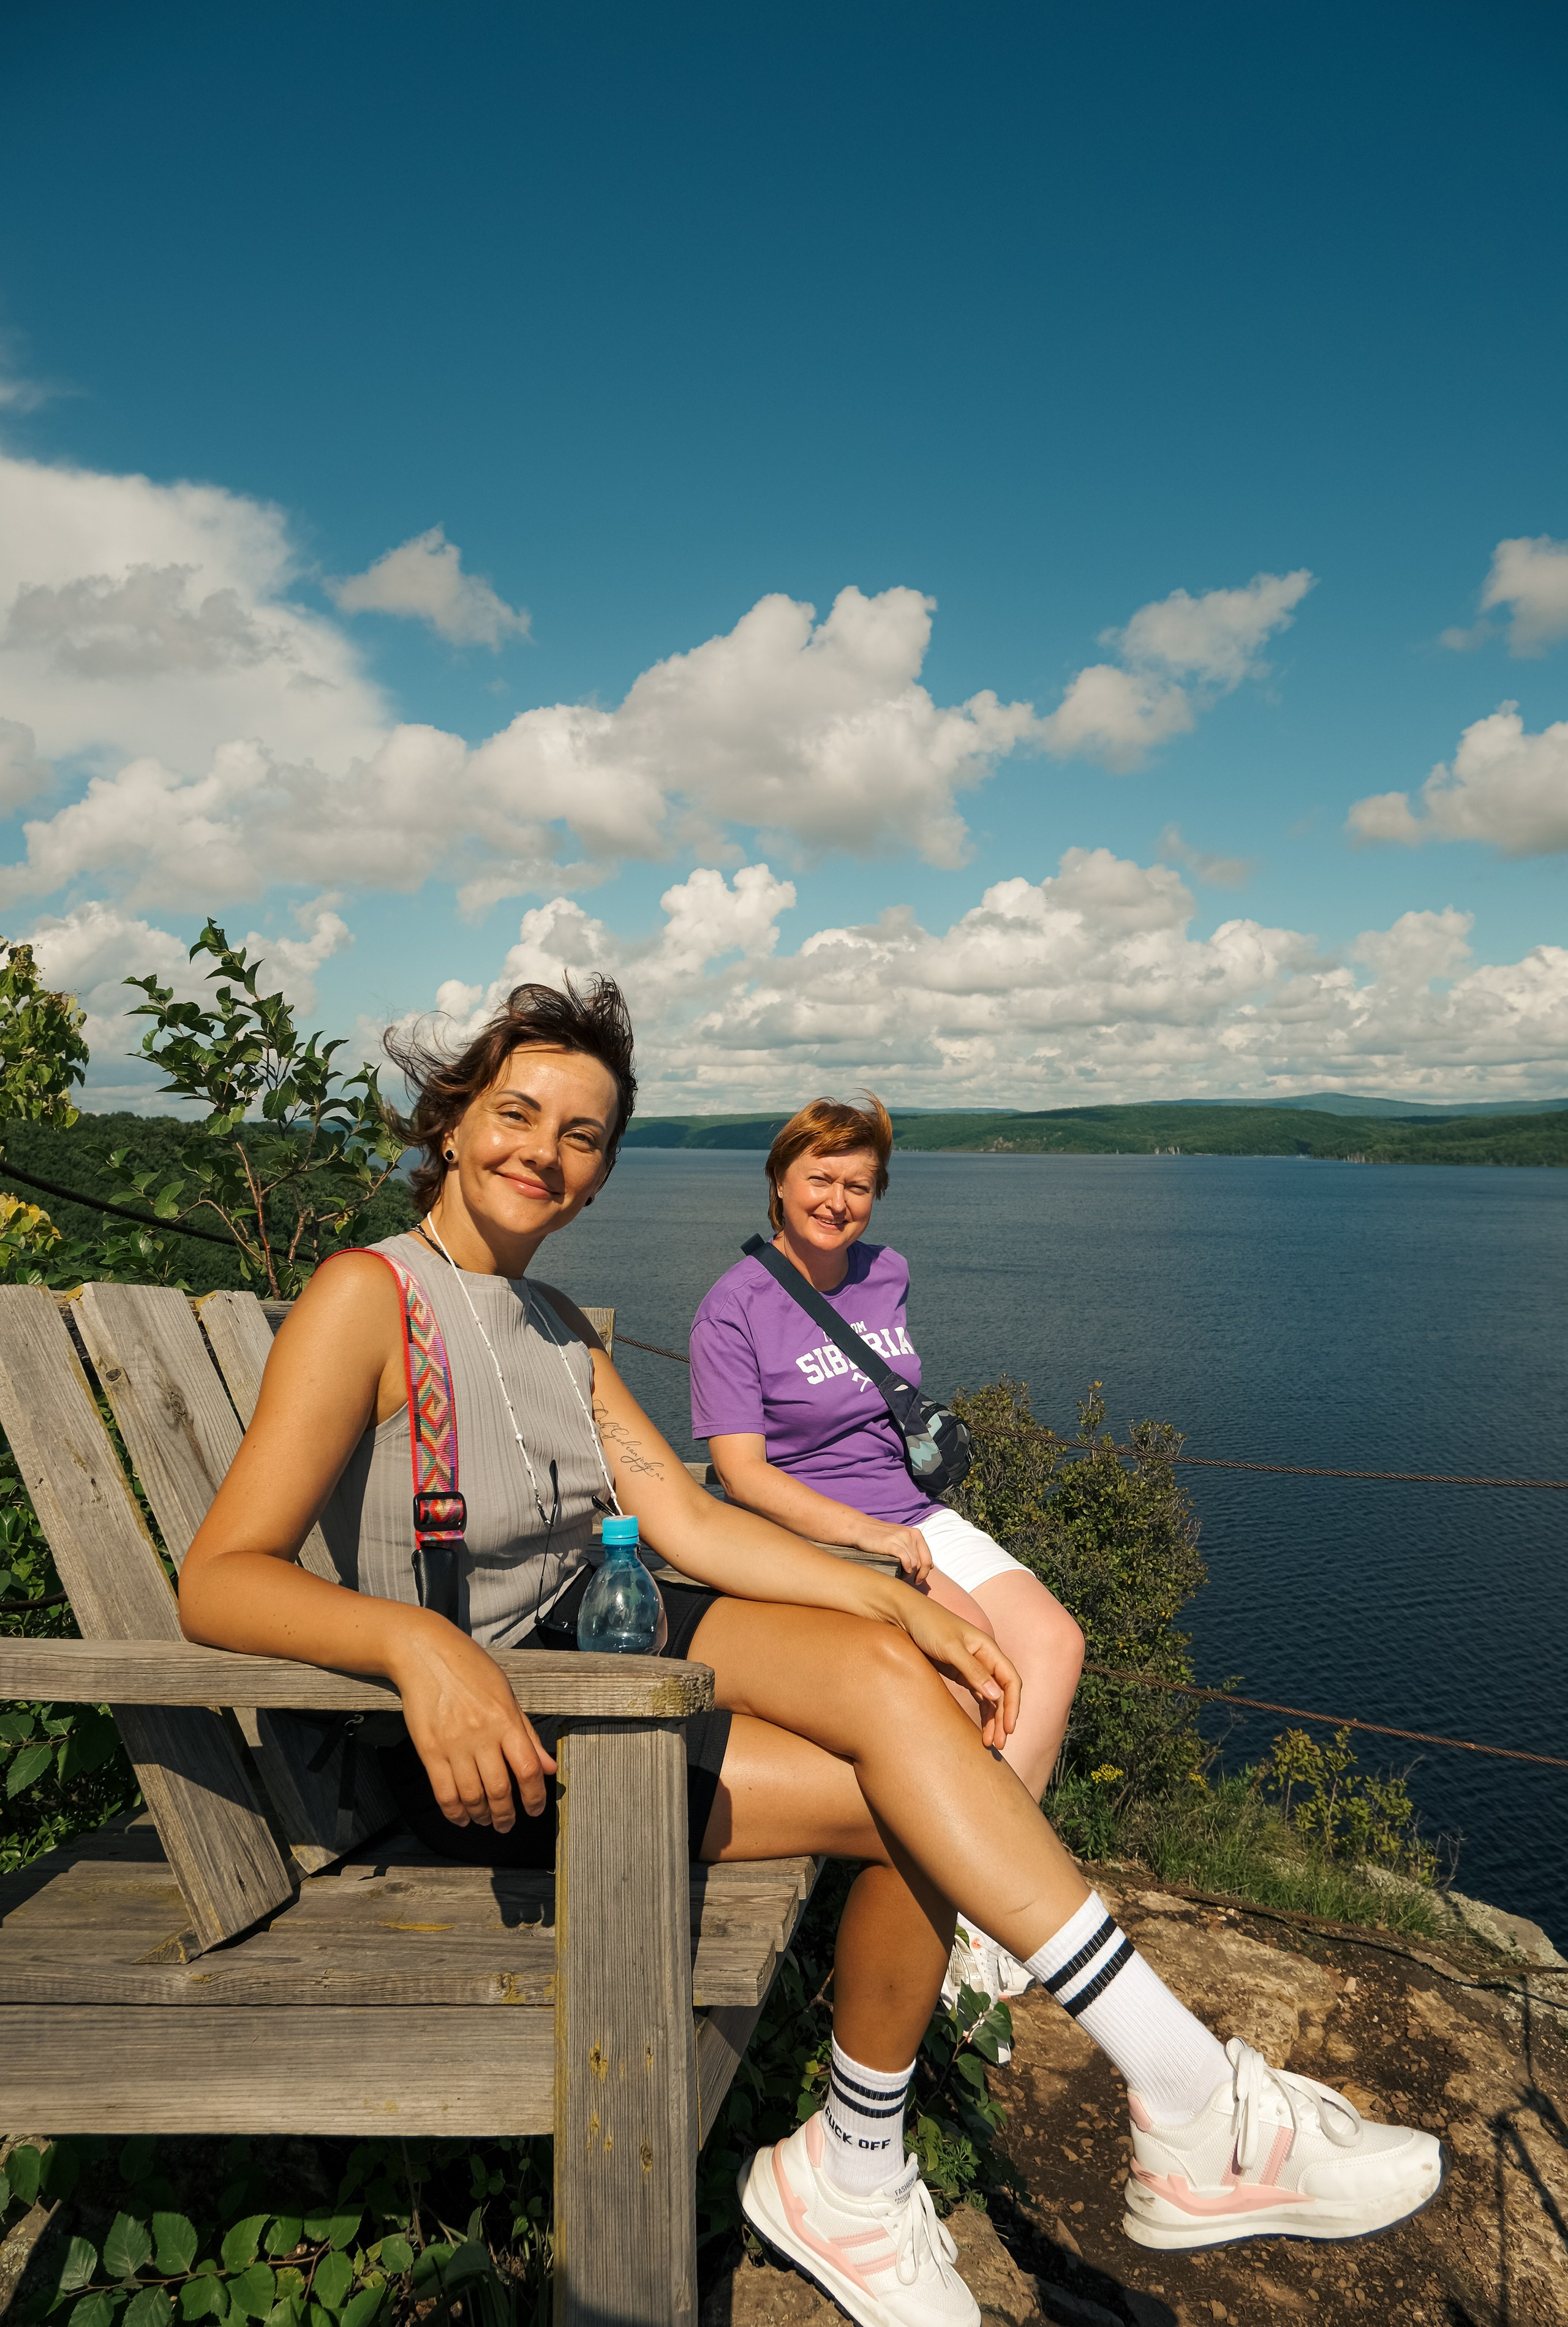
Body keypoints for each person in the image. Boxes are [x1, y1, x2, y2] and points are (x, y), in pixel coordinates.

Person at [179, 979, 1442, 2327]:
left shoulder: (552, 1331)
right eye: (516, 1113)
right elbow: (220, 1580)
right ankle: (1119, 2111)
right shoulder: (365, 1298)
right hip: (499, 1750)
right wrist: (414, 1650)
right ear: (450, 1125)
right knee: (923, 1807)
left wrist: (888, 1596)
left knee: (928, 1716)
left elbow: (682, 1521)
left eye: (584, 1135)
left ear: (603, 1176)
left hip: (596, 1654)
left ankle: (958, 2147)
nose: (543, 1151)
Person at [690, 1093, 1084, 2007]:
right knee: (975, 1665)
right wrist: (868, 1534)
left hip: (904, 1508)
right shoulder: (733, 1307)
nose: (838, 1199)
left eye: (859, 1184)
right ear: (780, 1182)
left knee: (1055, 1646)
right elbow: (741, 1475)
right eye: (820, 1178)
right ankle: (951, 1905)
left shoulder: (887, 1272)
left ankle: (988, 1911)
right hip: (818, 1527)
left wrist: (898, 1518)